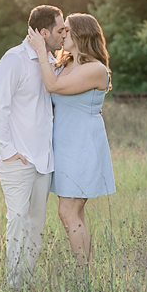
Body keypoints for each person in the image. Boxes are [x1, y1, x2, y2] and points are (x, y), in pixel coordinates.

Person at [0, 5, 68, 289]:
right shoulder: (14, 59)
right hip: (18, 159)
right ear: (44, 32)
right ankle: (12, 285)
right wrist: (7, 151)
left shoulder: (50, 61)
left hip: (44, 160)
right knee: (18, 219)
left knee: (36, 226)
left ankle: (26, 282)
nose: (64, 35)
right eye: (60, 30)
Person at [27, 13, 115, 267]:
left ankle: (82, 276)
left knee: (67, 211)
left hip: (83, 145)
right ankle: (83, 272)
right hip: (64, 146)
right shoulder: (64, 64)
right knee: (73, 212)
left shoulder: (95, 69)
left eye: (66, 30)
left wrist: (41, 51)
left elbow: (52, 87)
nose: (62, 35)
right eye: (61, 30)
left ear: (82, 34)